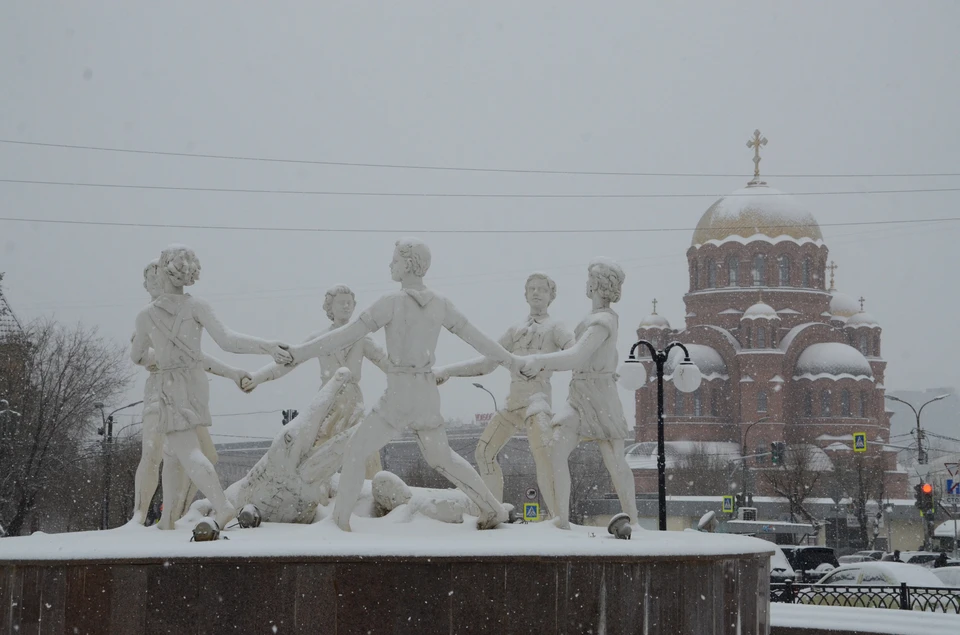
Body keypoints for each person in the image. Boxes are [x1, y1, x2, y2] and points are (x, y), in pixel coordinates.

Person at [285, 238, 520, 531]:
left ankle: (339, 524)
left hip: (399, 393)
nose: (390, 265)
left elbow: (346, 334)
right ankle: (492, 508)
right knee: (443, 458)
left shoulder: (391, 303)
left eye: (394, 260)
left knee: (356, 452)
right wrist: (512, 362)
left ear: (408, 264)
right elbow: (478, 339)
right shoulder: (441, 304)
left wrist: (300, 352)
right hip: (426, 392)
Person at [130, 244, 292, 530]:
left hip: (170, 385)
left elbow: (138, 356)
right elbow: (228, 341)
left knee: (188, 451)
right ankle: (167, 520)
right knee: (173, 452)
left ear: (164, 273)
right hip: (195, 382)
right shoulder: (197, 306)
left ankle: (222, 506)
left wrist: (157, 359)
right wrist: (266, 346)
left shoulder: (146, 316)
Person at [434, 273, 573, 516]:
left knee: (546, 459)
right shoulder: (515, 330)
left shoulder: (556, 327)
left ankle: (558, 520)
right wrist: (448, 371)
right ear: (525, 294)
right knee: (484, 452)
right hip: (512, 405)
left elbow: (575, 354)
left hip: (536, 404)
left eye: (542, 289)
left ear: (552, 296)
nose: (536, 292)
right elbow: (487, 362)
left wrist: (542, 361)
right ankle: (493, 511)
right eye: (531, 288)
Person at [519, 259, 639, 530]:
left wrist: (540, 360)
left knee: (615, 461)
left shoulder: (603, 320)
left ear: (596, 284)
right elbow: (588, 353)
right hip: (579, 393)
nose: (587, 284)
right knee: (556, 451)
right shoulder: (593, 319)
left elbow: (577, 355)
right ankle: (561, 519)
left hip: (600, 397)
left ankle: (633, 519)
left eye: (590, 280)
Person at [129, 260, 250, 526]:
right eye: (152, 280)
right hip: (159, 394)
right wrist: (159, 358)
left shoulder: (179, 313)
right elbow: (140, 355)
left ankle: (169, 517)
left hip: (178, 390)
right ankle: (139, 517)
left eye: (158, 278)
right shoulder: (149, 318)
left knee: (180, 454)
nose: (157, 284)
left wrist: (230, 372)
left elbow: (198, 356)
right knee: (153, 454)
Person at [241, 284, 388, 479]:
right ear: (330, 307)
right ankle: (318, 491)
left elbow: (387, 362)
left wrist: (421, 374)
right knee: (320, 447)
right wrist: (258, 377)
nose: (346, 306)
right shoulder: (319, 339)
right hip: (327, 398)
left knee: (364, 446)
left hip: (353, 400)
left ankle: (370, 491)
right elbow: (290, 361)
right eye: (341, 303)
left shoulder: (362, 339)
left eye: (349, 303)